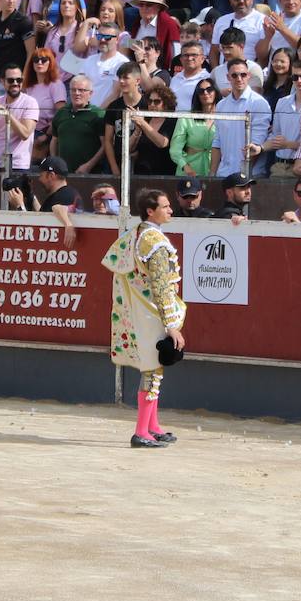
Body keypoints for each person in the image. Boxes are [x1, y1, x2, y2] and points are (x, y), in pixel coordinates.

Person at [103, 187, 185, 448]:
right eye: (165, 206)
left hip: (143, 310)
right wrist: (171, 325)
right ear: (151, 211)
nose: (170, 210)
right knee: (152, 371)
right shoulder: (155, 243)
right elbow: (161, 287)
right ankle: (141, 432)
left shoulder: (137, 233)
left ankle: (152, 426)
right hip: (153, 314)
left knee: (155, 371)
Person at [210, 58, 271, 177]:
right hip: (224, 173)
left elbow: (257, 143)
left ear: (249, 76)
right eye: (234, 75)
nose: (239, 79)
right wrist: (212, 174)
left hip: (250, 175)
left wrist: (243, 175)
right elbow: (217, 142)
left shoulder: (259, 103)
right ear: (228, 77)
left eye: (243, 75)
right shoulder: (221, 105)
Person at [49, 74, 105, 173]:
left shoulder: (98, 114)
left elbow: (106, 145)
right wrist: (55, 163)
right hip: (63, 173)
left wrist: (89, 165)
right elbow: (54, 140)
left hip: (90, 173)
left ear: (90, 93)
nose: (77, 93)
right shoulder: (61, 113)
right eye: (73, 90)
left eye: (81, 90)